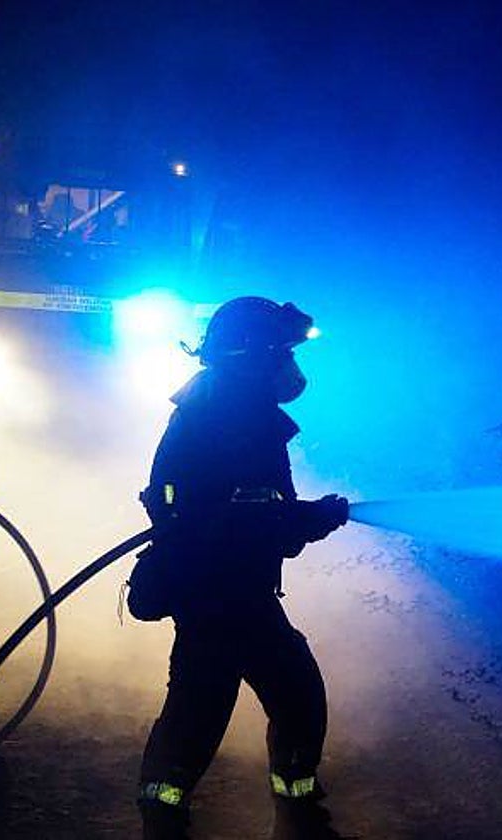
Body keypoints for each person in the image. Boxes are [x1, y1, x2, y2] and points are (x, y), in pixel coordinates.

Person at [131, 297, 350, 840]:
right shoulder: (235, 415)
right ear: (253, 355)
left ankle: (279, 809)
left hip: (225, 585)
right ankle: (171, 816)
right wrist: (315, 518)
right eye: (282, 353)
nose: (290, 367)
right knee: (223, 703)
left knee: (255, 696)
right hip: (220, 590)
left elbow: (251, 510)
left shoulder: (227, 404)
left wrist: (301, 520)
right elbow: (254, 517)